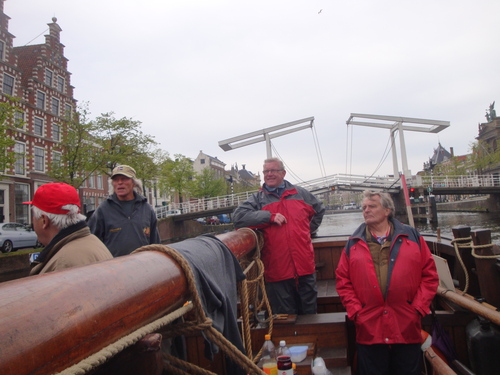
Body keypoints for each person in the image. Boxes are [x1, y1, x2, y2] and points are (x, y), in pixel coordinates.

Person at [335, 190, 439, 375]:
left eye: (372, 206)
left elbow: (429, 275)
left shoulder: (412, 237)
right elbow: (343, 281)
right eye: (364, 207)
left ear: (387, 210)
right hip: (369, 325)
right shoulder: (353, 243)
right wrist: (357, 312)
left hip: (405, 322)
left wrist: (417, 308)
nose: (366, 210)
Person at [233, 157, 325, 315]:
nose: (269, 174)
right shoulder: (257, 199)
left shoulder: (300, 194)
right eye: (266, 171)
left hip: (304, 266)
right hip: (277, 269)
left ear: (283, 173)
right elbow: (238, 218)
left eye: (273, 171)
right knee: (285, 317)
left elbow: (319, 210)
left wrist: (307, 231)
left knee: (310, 314)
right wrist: (268, 217)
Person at [23, 182, 113, 275]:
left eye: (33, 215)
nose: (33, 220)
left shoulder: (62, 265)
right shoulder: (93, 241)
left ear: (44, 221)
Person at [88, 165, 161, 257]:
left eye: (124, 179)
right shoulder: (103, 210)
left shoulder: (146, 209)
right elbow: (93, 242)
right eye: (116, 180)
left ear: (134, 183)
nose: (120, 182)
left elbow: (155, 243)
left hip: (143, 266)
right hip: (114, 268)